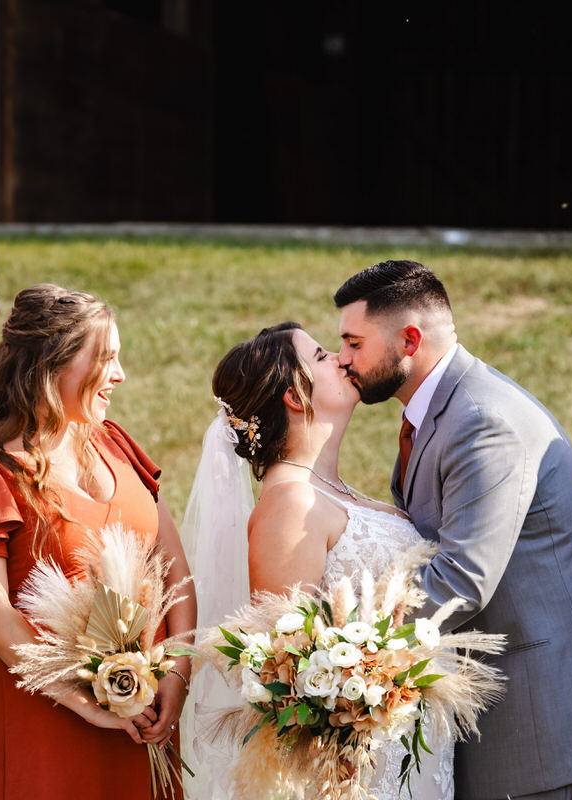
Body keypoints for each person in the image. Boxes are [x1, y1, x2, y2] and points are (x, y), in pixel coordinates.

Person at [334, 260, 572, 800]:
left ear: (410, 340)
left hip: (544, 732)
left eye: (354, 343)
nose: (343, 359)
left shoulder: (481, 420)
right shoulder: (436, 412)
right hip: (503, 723)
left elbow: (461, 580)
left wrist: (343, 650)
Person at [0, 284, 195, 800]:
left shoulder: (116, 443)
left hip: (147, 714)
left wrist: (177, 675)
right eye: (105, 359)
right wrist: (87, 703)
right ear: (50, 364)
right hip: (49, 719)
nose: (120, 375)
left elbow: (175, 568)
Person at [187, 320, 455, 800]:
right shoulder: (289, 506)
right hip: (353, 769)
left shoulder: (332, 492)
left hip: (406, 748)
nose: (342, 358)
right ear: (295, 395)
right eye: (321, 356)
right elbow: (285, 669)